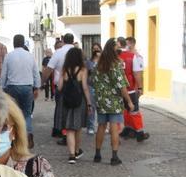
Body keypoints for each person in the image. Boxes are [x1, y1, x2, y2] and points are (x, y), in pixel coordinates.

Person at [91, 38, 132, 166]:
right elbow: (122, 86)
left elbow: (93, 82)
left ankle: (97, 154)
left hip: (101, 100)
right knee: (114, 127)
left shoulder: (98, 65)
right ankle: (114, 157)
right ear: (114, 50)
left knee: (101, 127)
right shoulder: (115, 65)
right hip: (114, 101)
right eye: (117, 48)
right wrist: (129, 101)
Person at [0, 33, 41, 142]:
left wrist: (2, 88)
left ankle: (15, 137)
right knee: (27, 113)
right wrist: (37, 87)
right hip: (27, 87)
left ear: (13, 43)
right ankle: (27, 136)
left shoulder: (9, 56)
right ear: (23, 43)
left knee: (13, 113)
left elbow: (4, 74)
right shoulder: (30, 55)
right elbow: (36, 73)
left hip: (12, 87)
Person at [58, 46, 91, 164]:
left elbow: (60, 86)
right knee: (77, 128)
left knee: (69, 129)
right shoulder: (83, 70)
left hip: (66, 101)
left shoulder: (64, 69)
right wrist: (89, 103)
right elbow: (85, 88)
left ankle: (71, 155)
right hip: (79, 102)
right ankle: (77, 150)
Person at [119, 37, 150, 142]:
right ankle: (139, 132)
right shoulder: (132, 56)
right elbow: (137, 73)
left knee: (125, 110)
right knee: (134, 111)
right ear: (126, 45)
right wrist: (140, 87)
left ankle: (127, 129)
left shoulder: (113, 56)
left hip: (117, 89)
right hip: (129, 88)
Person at [47, 34, 76, 139]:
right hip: (76, 86)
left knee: (60, 109)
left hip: (61, 85)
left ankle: (60, 130)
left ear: (63, 40)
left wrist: (42, 82)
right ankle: (72, 130)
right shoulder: (78, 52)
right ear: (73, 41)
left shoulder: (58, 53)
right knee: (73, 109)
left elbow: (49, 68)